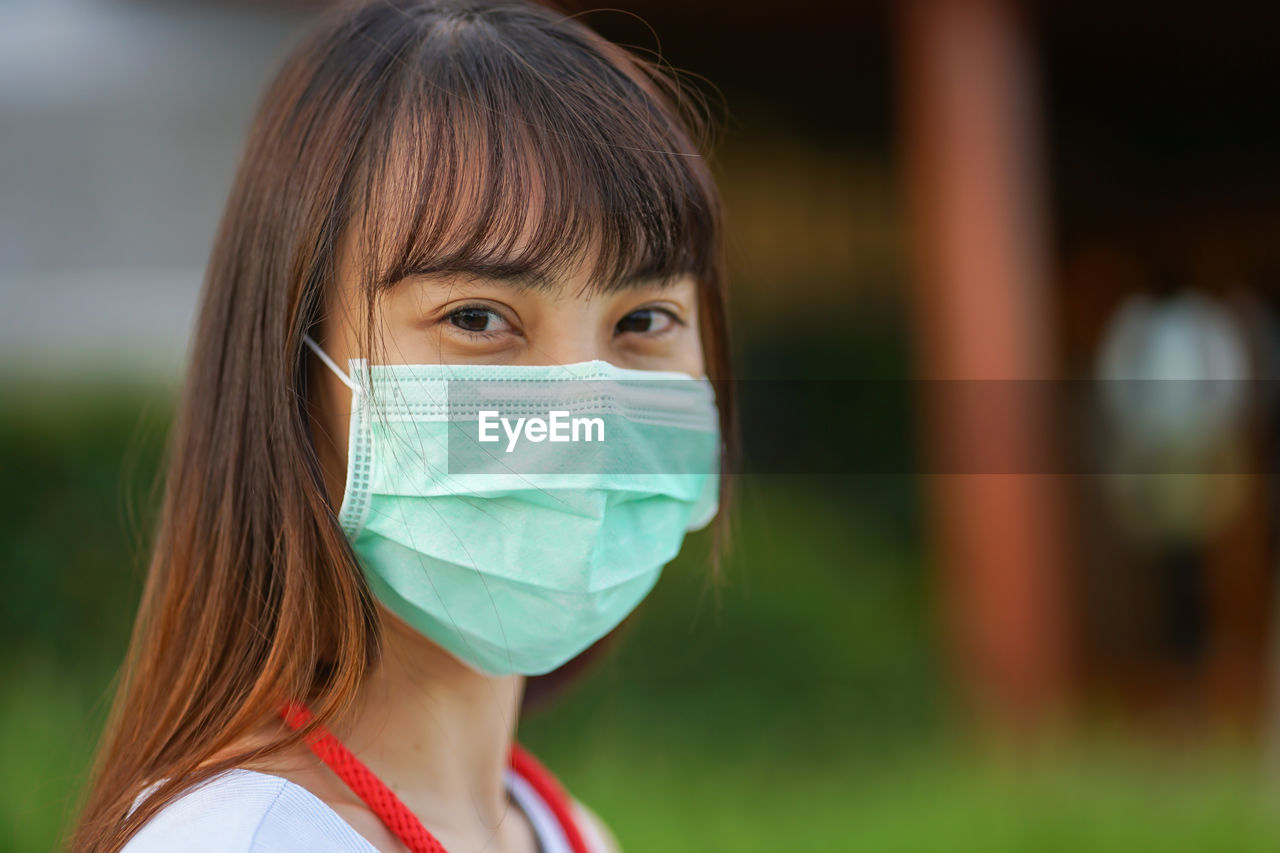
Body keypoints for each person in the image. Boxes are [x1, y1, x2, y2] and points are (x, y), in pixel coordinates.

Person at [68, 1, 732, 851]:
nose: (582, 414)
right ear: (297, 366)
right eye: (479, 317)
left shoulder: (564, 830)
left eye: (644, 322)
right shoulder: (242, 839)